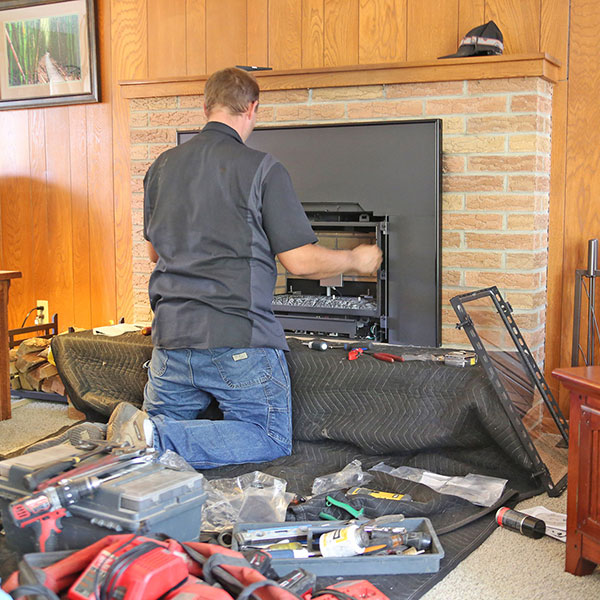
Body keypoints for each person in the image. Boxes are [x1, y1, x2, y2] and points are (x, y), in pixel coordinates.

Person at [107, 67, 382, 469]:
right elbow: (300, 261)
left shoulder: (161, 167)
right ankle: (159, 436)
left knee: (152, 443)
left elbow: (153, 253)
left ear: (206, 107)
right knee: (266, 436)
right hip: (238, 339)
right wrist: (354, 259)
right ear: (253, 108)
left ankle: (151, 435)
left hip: (171, 338)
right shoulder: (262, 169)